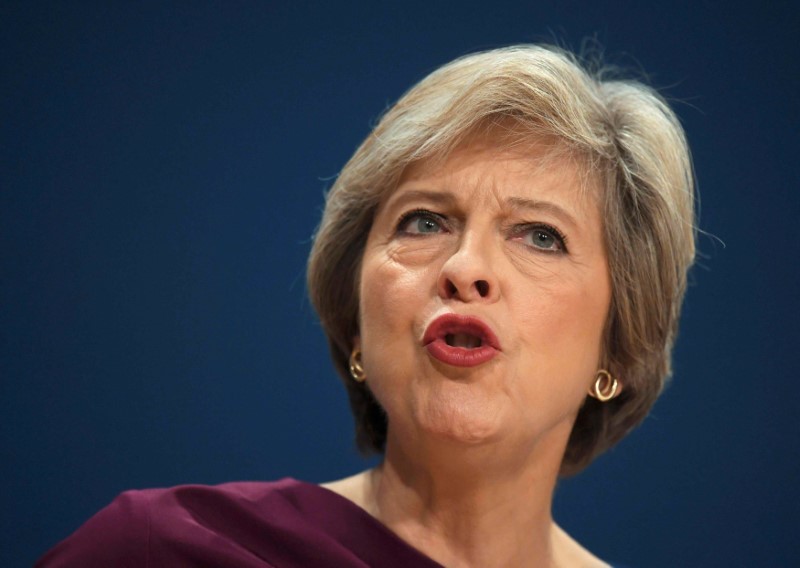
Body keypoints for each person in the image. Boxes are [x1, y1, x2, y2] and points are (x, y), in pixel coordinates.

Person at [37, 44, 695, 567]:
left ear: (617, 346)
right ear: (354, 324)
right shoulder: (161, 551)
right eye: (425, 223)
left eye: (541, 237)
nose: (466, 269)